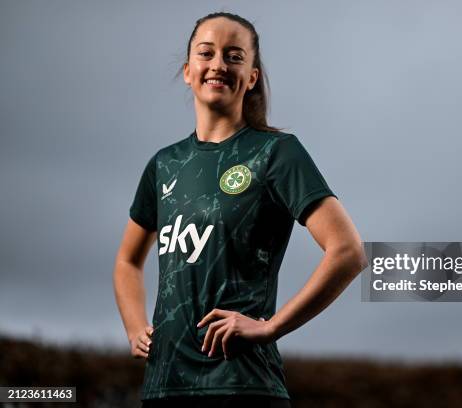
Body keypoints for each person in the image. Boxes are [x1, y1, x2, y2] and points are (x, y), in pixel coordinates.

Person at [113, 11, 367, 408]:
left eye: (234, 56)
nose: (218, 65)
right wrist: (134, 328)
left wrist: (272, 328)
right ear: (187, 70)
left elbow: (348, 252)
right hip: (165, 387)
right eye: (206, 53)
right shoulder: (164, 164)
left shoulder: (275, 153)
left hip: (244, 385)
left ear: (251, 77)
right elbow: (128, 262)